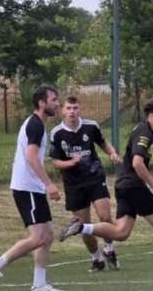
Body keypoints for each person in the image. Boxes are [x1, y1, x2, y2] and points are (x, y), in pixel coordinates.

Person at [59, 98, 153, 281]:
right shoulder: (145, 133)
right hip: (133, 185)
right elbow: (137, 163)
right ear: (152, 116)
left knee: (121, 233)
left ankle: (81, 227)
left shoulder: (144, 129)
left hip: (123, 185)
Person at [0, 84, 66, 291]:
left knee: (47, 236)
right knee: (38, 237)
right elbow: (30, 156)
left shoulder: (37, 124)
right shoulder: (35, 125)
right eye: (54, 100)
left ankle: (39, 285)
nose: (57, 104)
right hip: (27, 188)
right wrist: (49, 184)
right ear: (42, 103)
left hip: (33, 188)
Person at [49, 95, 121, 272]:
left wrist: (112, 153)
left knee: (105, 216)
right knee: (82, 226)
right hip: (73, 184)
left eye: (75, 108)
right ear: (62, 110)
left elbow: (103, 143)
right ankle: (96, 259)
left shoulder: (91, 126)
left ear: (79, 109)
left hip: (94, 177)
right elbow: (55, 161)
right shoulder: (56, 133)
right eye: (68, 108)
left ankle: (109, 250)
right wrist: (71, 162)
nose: (72, 112)